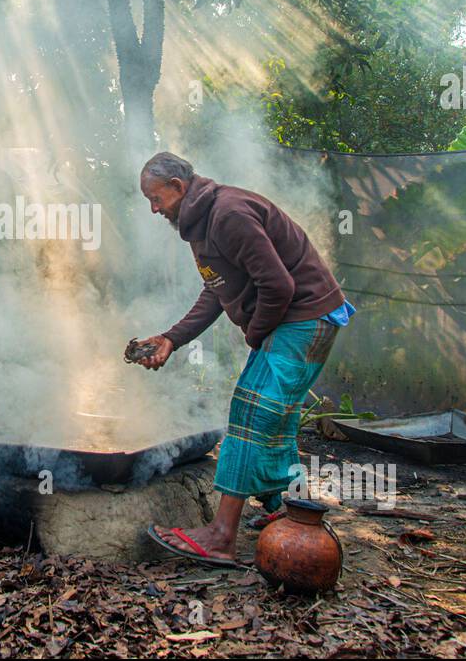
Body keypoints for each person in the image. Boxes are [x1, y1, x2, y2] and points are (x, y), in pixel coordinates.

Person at [136, 151, 355, 566]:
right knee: (277, 419)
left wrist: (255, 335)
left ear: (179, 187)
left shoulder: (229, 214)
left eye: (156, 198)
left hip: (306, 316)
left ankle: (220, 535)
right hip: (292, 320)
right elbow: (215, 291)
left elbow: (278, 286)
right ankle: (288, 512)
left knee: (250, 413)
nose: (153, 208)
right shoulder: (201, 226)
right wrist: (170, 338)